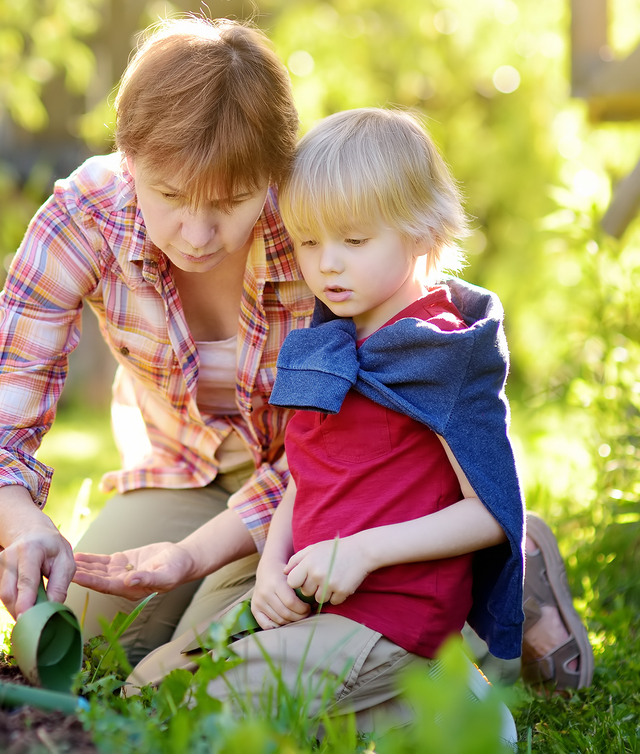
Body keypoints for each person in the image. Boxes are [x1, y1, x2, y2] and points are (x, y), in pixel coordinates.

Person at [76, 108, 537, 726]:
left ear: (422, 231)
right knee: (146, 682)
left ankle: (434, 688)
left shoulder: (440, 353)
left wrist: (361, 552)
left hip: (391, 612)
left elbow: (491, 510)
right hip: (310, 600)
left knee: (193, 710)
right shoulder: (329, 338)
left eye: (353, 241)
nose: (327, 265)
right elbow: (307, 471)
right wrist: (269, 568)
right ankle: (431, 705)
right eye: (310, 242)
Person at [0, 15, 313, 664]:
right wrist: (25, 529)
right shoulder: (83, 218)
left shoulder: (317, 219)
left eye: (229, 201)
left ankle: (499, 562)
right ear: (128, 156)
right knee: (93, 649)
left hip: (316, 482)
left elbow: (356, 435)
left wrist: (200, 556)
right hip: (182, 470)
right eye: (169, 194)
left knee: (212, 659)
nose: (197, 233)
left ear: (272, 176)